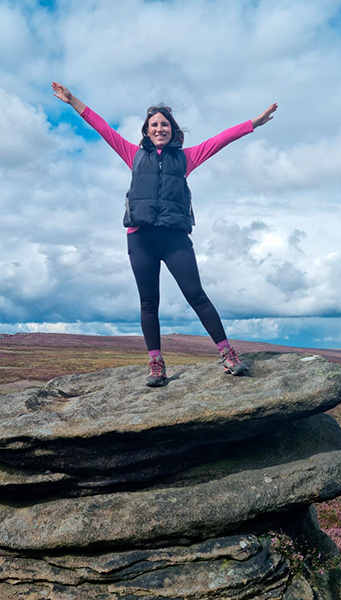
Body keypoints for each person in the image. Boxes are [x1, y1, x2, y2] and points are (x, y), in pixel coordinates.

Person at [52, 82, 277, 387]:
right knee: (149, 301)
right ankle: (156, 363)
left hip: (174, 237)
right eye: (154, 124)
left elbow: (221, 139)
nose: (160, 128)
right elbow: (102, 127)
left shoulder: (186, 158)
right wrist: (72, 101)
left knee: (196, 294)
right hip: (141, 237)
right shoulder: (132, 154)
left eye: (165, 124)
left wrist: (254, 123)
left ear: (173, 130)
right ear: (146, 131)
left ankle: (227, 354)